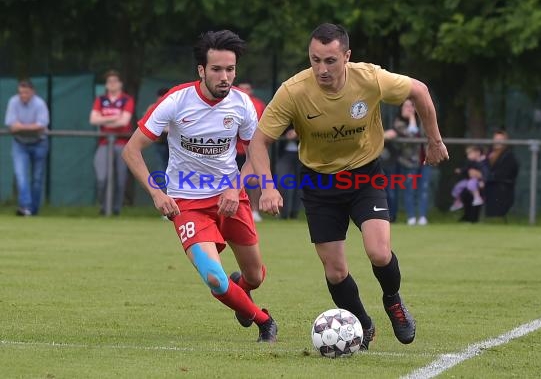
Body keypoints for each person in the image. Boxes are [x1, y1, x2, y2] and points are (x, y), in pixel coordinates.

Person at [249, 23, 448, 349]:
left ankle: (393, 302)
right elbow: (259, 142)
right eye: (315, 60)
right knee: (336, 271)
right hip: (318, 182)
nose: (322, 69)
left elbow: (420, 91)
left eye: (330, 60)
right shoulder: (293, 91)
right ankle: (364, 326)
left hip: (364, 175)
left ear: (347, 56)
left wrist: (434, 141)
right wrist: (269, 187)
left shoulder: (369, 78)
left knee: (379, 251)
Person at [121, 30, 277, 342]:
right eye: (217, 69)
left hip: (232, 198)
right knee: (215, 279)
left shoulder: (243, 104)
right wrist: (156, 192)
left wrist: (236, 187)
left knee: (254, 276)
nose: (225, 77)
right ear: (201, 70)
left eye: (230, 70)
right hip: (187, 203)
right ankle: (263, 321)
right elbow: (131, 150)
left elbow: (255, 152)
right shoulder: (176, 102)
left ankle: (242, 293)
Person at [89, 70, 135, 215]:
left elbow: (124, 121)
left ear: (120, 83)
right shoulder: (100, 100)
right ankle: (103, 207)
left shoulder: (127, 99)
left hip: (122, 143)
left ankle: (116, 210)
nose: (112, 84)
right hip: (104, 142)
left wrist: (105, 118)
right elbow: (93, 120)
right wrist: (115, 117)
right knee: (102, 178)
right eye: (109, 82)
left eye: (115, 81)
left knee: (121, 179)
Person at [4, 79, 50, 216]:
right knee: (21, 175)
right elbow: (11, 124)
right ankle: (25, 207)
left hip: (39, 143)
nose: (23, 95)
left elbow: (41, 125)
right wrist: (31, 127)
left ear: (33, 92)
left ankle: (33, 210)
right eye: (20, 93)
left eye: (26, 92)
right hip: (20, 144)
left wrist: (21, 127)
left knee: (37, 178)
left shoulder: (40, 104)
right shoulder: (13, 102)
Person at [393, 99, 432, 226]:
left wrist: (416, 118)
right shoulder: (398, 123)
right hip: (408, 162)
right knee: (410, 189)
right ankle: (411, 217)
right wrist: (411, 118)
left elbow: (424, 134)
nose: (410, 108)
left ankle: (422, 216)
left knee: (424, 189)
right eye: (406, 106)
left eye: (412, 106)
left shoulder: (422, 121)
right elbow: (412, 136)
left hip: (425, 160)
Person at [236, 82, 266, 222]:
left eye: (247, 88)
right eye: (242, 89)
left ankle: (254, 210)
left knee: (253, 180)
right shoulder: (229, 102)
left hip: (252, 150)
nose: (245, 91)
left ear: (251, 90)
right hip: (232, 151)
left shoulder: (258, 104)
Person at [485, 130, 519, 218]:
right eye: (496, 139)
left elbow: (503, 174)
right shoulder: (488, 154)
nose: (498, 142)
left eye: (501, 139)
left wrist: (485, 176)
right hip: (487, 183)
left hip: (500, 187)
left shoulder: (509, 156)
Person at [450, 145, 489, 211]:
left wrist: (483, 181)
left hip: (477, 181)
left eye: (470, 153)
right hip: (470, 180)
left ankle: (477, 197)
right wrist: (460, 170)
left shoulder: (483, 163)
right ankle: (458, 201)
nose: (468, 156)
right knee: (459, 186)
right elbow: (466, 169)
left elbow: (485, 173)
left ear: (477, 153)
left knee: (471, 184)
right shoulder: (470, 162)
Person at [275, 126, 302, 219]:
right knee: (282, 182)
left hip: (303, 153)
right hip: (284, 152)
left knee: (300, 184)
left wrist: (298, 131)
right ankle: (284, 213)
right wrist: (287, 133)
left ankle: (294, 213)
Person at [148, 87, 171, 171]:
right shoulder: (153, 107)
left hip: (172, 139)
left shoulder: (174, 107)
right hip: (160, 139)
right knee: (162, 165)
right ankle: (163, 184)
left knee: (172, 165)